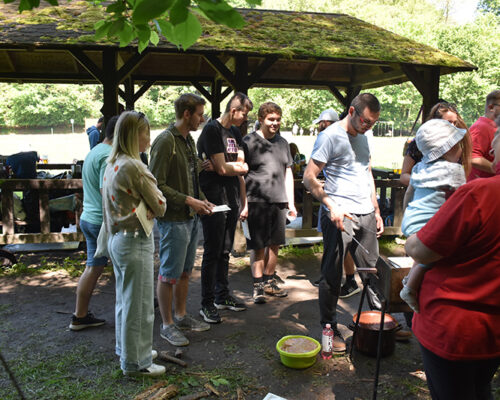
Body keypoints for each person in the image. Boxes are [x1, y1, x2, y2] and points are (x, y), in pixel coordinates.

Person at [404, 138, 500, 399]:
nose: (491, 149)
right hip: (493, 332)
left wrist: (412, 235)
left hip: (456, 329)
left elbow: (421, 249)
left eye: (497, 139)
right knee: (480, 388)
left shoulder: (480, 193)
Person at [303, 93, 384, 353]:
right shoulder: (329, 136)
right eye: (365, 121)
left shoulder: (364, 136)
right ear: (351, 111)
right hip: (339, 214)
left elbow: (367, 172)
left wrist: (376, 208)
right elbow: (309, 177)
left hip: (366, 212)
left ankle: (380, 323)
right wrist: (331, 205)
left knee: (373, 272)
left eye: (372, 123)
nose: (367, 127)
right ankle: (329, 328)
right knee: (332, 273)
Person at [102, 111, 167, 377]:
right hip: (135, 240)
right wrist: (151, 205)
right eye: (146, 133)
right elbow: (160, 205)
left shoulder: (112, 162)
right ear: (133, 134)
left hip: (118, 239)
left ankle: (127, 349)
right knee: (139, 305)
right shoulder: (134, 165)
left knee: (125, 301)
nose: (149, 139)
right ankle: (136, 363)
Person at [149, 94, 213, 346]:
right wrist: (190, 201)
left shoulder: (189, 141)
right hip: (173, 219)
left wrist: (203, 201)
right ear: (186, 114)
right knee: (168, 275)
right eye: (199, 114)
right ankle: (167, 325)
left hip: (190, 218)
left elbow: (190, 179)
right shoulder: (165, 141)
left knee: (185, 273)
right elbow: (156, 185)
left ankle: (182, 315)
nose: (202, 119)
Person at [399, 119, 468, 313]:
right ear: (447, 149)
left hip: (411, 219)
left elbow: (409, 193)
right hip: (429, 224)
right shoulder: (454, 171)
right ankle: (410, 288)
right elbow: (462, 199)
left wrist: (407, 216)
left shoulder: (419, 167)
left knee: (426, 254)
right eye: (457, 145)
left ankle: (411, 277)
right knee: (439, 253)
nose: (461, 150)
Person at [197, 92, 252, 324]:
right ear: (233, 110)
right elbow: (221, 169)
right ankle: (207, 303)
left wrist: (231, 167)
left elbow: (242, 166)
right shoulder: (212, 130)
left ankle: (222, 295)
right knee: (212, 251)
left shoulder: (235, 133)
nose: (245, 118)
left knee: (225, 250)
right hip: (213, 200)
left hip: (231, 200)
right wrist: (232, 166)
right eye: (244, 114)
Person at [240, 102, 297, 304]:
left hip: (279, 201)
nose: (275, 123)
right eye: (271, 119)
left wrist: (291, 202)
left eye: (278, 120)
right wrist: (244, 203)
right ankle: (257, 287)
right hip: (256, 201)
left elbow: (287, 171)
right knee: (257, 245)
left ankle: (269, 281)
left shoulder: (283, 143)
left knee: (274, 244)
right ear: (261, 119)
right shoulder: (248, 142)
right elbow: (240, 174)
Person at [69, 116, 118, 331]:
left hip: (89, 218)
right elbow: (106, 192)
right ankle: (134, 307)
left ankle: (80, 316)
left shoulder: (95, 150)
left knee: (93, 268)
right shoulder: (108, 155)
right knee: (123, 267)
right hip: (102, 222)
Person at [311, 108, 359, 299]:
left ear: (328, 123)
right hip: (329, 198)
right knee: (331, 243)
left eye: (322, 123)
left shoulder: (340, 137)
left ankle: (350, 280)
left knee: (342, 243)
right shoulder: (327, 138)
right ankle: (329, 276)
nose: (320, 127)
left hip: (342, 201)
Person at [400, 101, 472, 187]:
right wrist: (427, 182)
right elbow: (404, 176)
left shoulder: (456, 145)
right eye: (448, 122)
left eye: (455, 123)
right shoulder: (419, 143)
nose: (453, 126)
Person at [468, 89, 500, 181]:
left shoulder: (495, 127)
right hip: (479, 189)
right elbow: (472, 158)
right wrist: (496, 169)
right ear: (491, 108)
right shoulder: (481, 127)